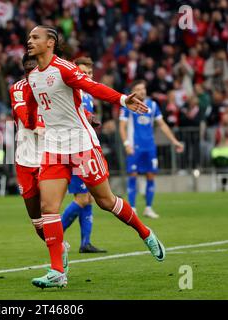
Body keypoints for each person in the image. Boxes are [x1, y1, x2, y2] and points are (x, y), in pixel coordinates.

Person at [25, 25, 165, 289]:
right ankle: (58, 272)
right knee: (48, 208)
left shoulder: (64, 69)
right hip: (54, 147)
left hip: (81, 144)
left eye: (35, 37)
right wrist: (31, 123)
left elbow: (94, 86)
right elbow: (34, 106)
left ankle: (144, 232)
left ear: (50, 42)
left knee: (105, 201)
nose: (29, 41)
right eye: (29, 37)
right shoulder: (33, 76)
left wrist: (123, 100)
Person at [9, 53, 70, 273]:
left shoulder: (55, 85)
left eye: (34, 67)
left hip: (48, 156)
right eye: (27, 69)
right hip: (25, 159)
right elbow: (26, 117)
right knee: (37, 223)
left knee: (50, 212)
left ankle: (58, 267)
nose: (31, 72)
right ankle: (61, 248)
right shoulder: (17, 88)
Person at [61, 56, 107, 254]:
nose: (87, 76)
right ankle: (52, 236)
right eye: (83, 73)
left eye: (89, 73)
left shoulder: (88, 95)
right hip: (73, 150)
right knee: (81, 199)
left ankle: (85, 242)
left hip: (85, 149)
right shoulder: (71, 91)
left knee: (88, 197)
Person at [119, 80, 184, 218]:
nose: (142, 91)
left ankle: (148, 208)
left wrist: (174, 141)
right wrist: (126, 144)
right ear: (133, 92)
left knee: (151, 176)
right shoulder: (128, 105)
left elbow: (162, 125)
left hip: (149, 147)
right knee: (133, 175)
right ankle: (133, 208)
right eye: (138, 89)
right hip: (134, 146)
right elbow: (122, 126)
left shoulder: (153, 105)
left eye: (143, 89)